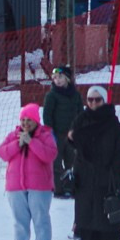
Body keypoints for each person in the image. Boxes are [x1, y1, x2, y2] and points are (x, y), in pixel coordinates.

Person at [69, 86, 120, 240]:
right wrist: (72, 139)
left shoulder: (112, 122)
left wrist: (118, 174)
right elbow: (73, 142)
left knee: (109, 216)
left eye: (97, 100)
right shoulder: (81, 119)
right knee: (86, 216)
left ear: (104, 101)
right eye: (90, 100)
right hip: (85, 175)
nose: (93, 103)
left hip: (107, 175)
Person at [0, 102, 56, 240]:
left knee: (41, 221)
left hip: (39, 187)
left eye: (29, 120)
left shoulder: (45, 135)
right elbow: (2, 152)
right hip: (15, 187)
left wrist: (31, 142)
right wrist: (19, 144)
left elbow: (49, 155)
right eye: (23, 120)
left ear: (36, 121)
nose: (25, 123)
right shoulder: (13, 135)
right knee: (20, 223)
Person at [40, 65, 83, 197]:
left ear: (67, 78)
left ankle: (72, 186)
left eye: (60, 77)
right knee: (56, 162)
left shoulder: (75, 95)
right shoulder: (52, 95)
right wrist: (50, 131)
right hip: (57, 134)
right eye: (54, 78)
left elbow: (80, 113)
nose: (57, 80)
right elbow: (47, 115)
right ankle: (58, 189)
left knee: (72, 161)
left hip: (72, 134)